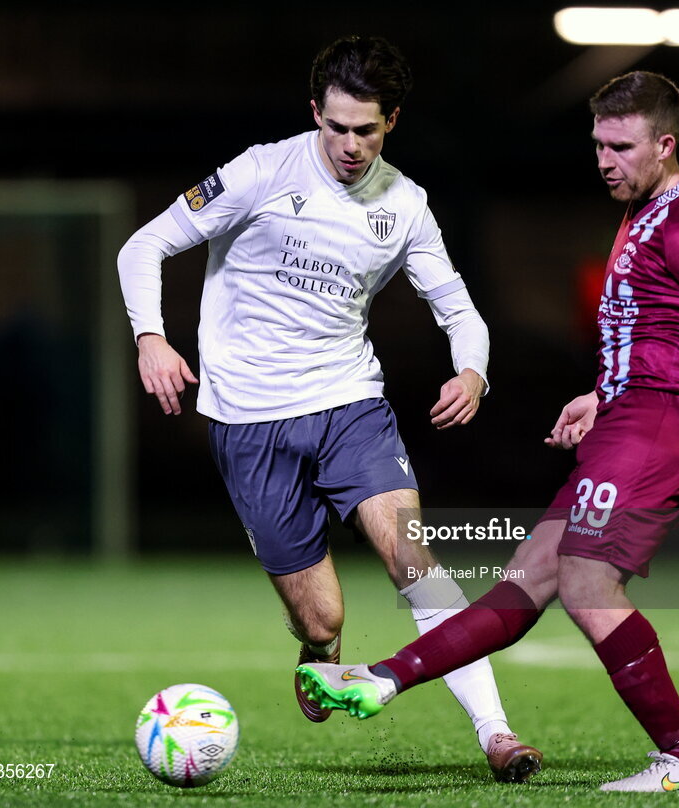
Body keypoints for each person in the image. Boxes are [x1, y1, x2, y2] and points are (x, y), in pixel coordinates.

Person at [296, 70, 679, 793]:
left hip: (662, 428)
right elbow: (671, 332)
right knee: (528, 578)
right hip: (635, 415)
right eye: (598, 143)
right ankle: (381, 679)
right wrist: (604, 393)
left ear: (665, 144)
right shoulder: (645, 212)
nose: (605, 160)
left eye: (622, 146)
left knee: (588, 579)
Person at [116, 35, 542, 783]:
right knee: (324, 619)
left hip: (349, 406)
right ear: (316, 112)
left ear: (392, 122)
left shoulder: (405, 204)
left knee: (415, 559)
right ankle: (318, 652)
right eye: (336, 126)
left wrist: (472, 371)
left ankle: (498, 735)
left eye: (366, 129)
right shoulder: (259, 172)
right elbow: (142, 247)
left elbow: (459, 309)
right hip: (247, 421)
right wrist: (151, 337)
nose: (349, 145)